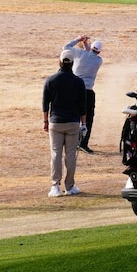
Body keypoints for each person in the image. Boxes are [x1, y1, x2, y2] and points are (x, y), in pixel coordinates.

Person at [42, 49, 87, 197]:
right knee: (70, 155)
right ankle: (70, 186)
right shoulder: (79, 82)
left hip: (56, 122)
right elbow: (82, 106)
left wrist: (45, 122)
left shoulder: (51, 80)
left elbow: (45, 104)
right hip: (73, 122)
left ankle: (55, 186)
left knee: (56, 154)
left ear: (60, 62)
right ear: (72, 63)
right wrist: (84, 124)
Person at [63, 34, 103, 153]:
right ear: (99, 52)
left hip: (74, 89)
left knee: (74, 116)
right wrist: (86, 45)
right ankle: (83, 143)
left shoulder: (80, 53)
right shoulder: (99, 61)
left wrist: (79, 39)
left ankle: (71, 142)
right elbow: (90, 55)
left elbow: (65, 47)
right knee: (88, 118)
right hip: (88, 91)